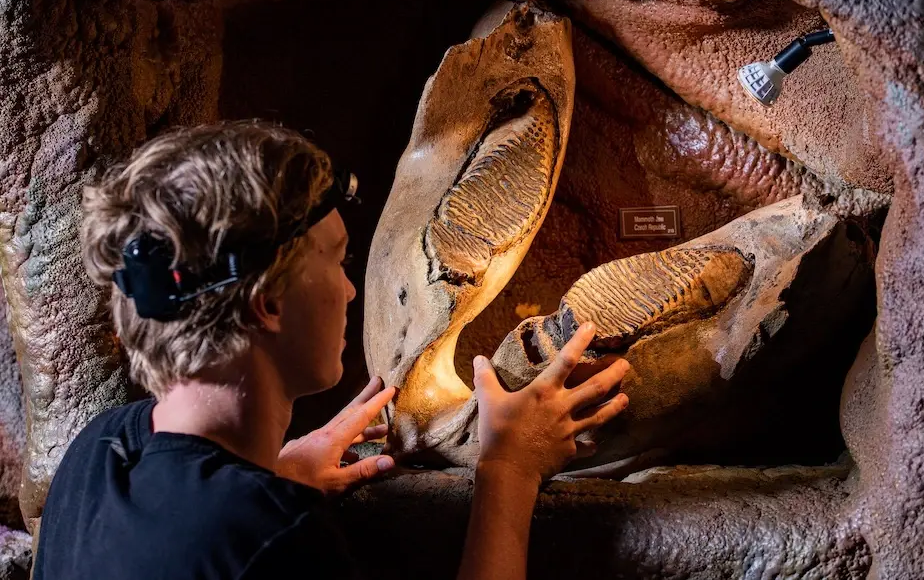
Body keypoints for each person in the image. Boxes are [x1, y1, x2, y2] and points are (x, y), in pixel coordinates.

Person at [33, 121, 630, 580]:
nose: (349, 289)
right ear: (267, 303)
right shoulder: (273, 534)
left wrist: (275, 471)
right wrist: (509, 469)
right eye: (337, 259)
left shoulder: (100, 452)